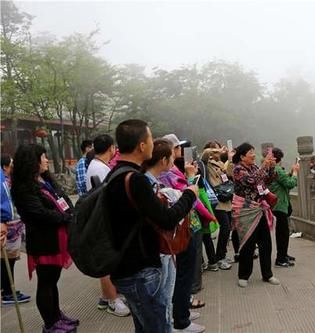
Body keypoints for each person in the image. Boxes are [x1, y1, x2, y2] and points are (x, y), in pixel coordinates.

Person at [106, 120, 198, 333]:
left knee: (144, 326)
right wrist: (189, 195)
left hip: (125, 266)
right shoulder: (136, 180)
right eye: (150, 139)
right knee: (158, 326)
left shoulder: (116, 175)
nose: (152, 144)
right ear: (141, 146)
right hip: (140, 269)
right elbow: (166, 219)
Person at [11, 144, 78, 333]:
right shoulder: (24, 187)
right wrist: (66, 218)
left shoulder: (45, 179)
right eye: (43, 157)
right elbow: (38, 213)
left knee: (52, 280)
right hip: (43, 241)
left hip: (57, 238)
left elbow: (62, 198)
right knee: (46, 282)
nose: (46, 160)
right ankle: (50, 323)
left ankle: (56, 315)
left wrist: (70, 213)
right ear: (33, 161)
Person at [160, 134, 206, 333]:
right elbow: (188, 199)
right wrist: (190, 178)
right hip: (181, 228)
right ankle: (181, 320)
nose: (179, 151)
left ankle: (181, 310)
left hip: (186, 226)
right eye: (178, 147)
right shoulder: (166, 174)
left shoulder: (171, 170)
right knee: (183, 273)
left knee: (181, 274)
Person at [85, 134, 130, 317]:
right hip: (103, 220)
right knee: (107, 263)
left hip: (101, 218)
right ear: (111, 148)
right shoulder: (101, 169)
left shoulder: (97, 166)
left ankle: (106, 297)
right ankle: (112, 301)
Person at [142, 139, 180, 333]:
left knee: (163, 300)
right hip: (158, 250)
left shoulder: (151, 181)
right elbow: (165, 219)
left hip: (160, 248)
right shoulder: (145, 184)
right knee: (162, 299)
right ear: (164, 160)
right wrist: (188, 195)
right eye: (172, 155)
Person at [232, 142, 279, 288]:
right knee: (248, 243)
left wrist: (271, 167)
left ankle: (268, 274)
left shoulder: (254, 167)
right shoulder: (238, 170)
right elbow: (252, 181)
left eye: (253, 152)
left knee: (266, 243)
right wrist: (264, 165)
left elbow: (268, 180)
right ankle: (244, 275)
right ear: (242, 156)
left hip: (260, 208)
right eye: (250, 152)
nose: (253, 155)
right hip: (246, 210)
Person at [1, 154, 31, 305]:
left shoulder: (8, 181)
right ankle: (7, 292)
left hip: (14, 225)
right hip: (9, 226)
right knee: (7, 260)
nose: (13, 168)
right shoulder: (3, 182)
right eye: (11, 165)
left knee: (10, 260)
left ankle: (8, 289)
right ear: (5, 167)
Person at [201, 141, 233, 269]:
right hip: (216, 200)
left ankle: (222, 255)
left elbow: (229, 174)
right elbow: (204, 154)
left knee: (227, 228)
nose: (218, 152)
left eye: (219, 149)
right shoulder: (205, 163)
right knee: (224, 227)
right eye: (215, 150)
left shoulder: (221, 164)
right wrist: (216, 151)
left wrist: (230, 159)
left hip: (226, 198)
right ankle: (219, 258)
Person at [268, 148, 299, 267]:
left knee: (283, 232)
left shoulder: (271, 169)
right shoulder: (276, 169)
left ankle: (284, 254)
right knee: (282, 233)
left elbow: (282, 180)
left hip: (276, 204)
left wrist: (291, 173)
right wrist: (295, 173)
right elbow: (289, 183)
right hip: (279, 205)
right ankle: (280, 258)